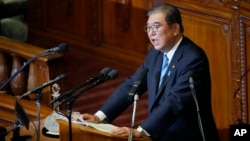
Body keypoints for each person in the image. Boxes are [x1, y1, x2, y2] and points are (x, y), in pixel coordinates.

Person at [82, 3, 220, 141]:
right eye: (148, 28)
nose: (151, 32)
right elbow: (133, 85)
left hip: (186, 137)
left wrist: (142, 130)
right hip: (159, 133)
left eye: (156, 26)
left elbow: (176, 101)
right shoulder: (155, 53)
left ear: (175, 28)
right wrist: (99, 116)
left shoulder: (193, 59)